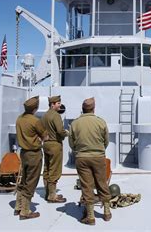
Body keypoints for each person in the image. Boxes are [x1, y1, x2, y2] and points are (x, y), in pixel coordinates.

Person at [69, 97, 112, 225]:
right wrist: (99, 150)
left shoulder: (75, 123)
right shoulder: (101, 122)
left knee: (86, 186)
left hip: (81, 158)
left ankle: (91, 216)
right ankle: (107, 212)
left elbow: (71, 143)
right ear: (93, 108)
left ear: (82, 109)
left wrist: (79, 151)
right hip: (98, 157)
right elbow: (106, 141)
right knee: (101, 183)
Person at [14, 96, 48, 220]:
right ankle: (25, 211)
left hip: (23, 153)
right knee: (31, 182)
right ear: (35, 108)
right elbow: (45, 137)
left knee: (23, 180)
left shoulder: (19, 119)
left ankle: (18, 207)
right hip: (34, 154)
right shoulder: (35, 121)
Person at [42, 95, 68, 203]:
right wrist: (67, 133)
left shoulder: (44, 116)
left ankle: (48, 193)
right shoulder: (56, 116)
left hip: (46, 144)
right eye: (58, 103)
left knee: (47, 169)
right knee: (55, 170)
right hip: (55, 145)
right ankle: (52, 196)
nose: (60, 105)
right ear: (53, 104)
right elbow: (60, 131)